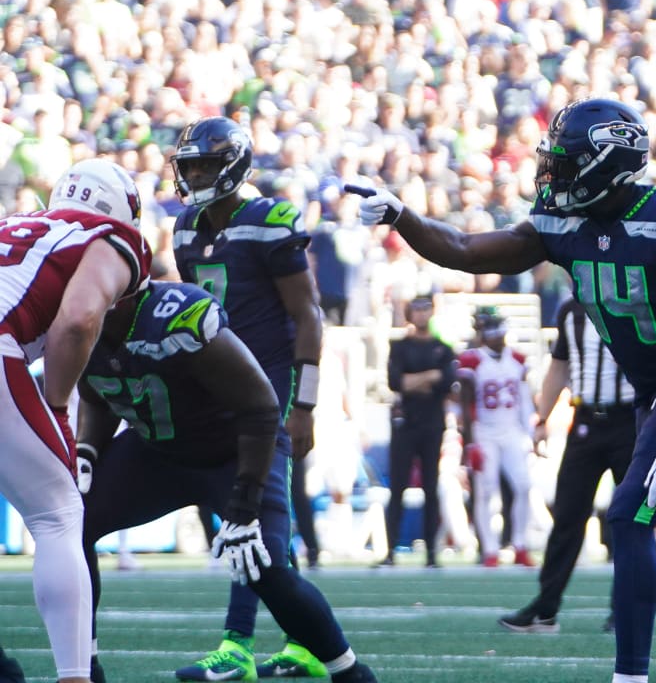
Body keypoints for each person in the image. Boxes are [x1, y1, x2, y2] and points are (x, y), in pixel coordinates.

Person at [349, 97, 656, 683]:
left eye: (568, 163)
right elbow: (468, 251)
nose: (554, 175)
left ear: (609, 166)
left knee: (627, 516)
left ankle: (630, 677)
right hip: (655, 394)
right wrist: (402, 217)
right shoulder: (563, 223)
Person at [75, 281, 376, 683]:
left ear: (127, 284)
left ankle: (350, 672)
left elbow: (262, 407)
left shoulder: (177, 313)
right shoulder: (77, 320)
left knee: (263, 564)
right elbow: (99, 395)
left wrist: (246, 497)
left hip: (234, 451)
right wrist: (87, 453)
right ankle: (82, 667)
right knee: (71, 522)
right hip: (158, 451)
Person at [168, 116, 328, 680]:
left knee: (252, 516)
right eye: (189, 166)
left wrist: (304, 403)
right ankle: (306, 643)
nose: (195, 175)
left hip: (272, 385)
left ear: (234, 165)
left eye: (207, 165)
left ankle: (236, 646)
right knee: (257, 517)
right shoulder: (185, 228)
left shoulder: (270, 219)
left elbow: (308, 315)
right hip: (218, 387)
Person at [0, 158, 150, 683]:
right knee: (59, 514)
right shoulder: (108, 236)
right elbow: (81, 318)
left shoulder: (15, 225)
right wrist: (59, 404)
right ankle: (74, 676)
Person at [499, 296, 636, 634]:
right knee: (567, 516)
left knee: (628, 521)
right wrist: (542, 417)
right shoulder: (570, 310)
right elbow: (559, 365)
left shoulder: (631, 300)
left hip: (630, 420)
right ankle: (546, 608)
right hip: (585, 420)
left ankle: (627, 609)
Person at [456, 305, 537, 567]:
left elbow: (524, 399)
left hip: (512, 429)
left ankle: (520, 544)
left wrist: (532, 433)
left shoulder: (517, 360)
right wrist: (470, 443)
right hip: (485, 432)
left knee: (523, 485)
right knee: (485, 490)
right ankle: (490, 549)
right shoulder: (472, 360)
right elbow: (466, 404)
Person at [378, 294, 455, 567]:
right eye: (417, 310)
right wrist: (428, 377)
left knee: (431, 487)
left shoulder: (443, 349)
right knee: (397, 487)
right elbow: (396, 382)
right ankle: (390, 551)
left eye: (426, 309)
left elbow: (446, 381)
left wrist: (415, 381)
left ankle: (432, 553)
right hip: (406, 423)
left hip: (432, 423)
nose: (422, 315)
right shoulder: (399, 347)